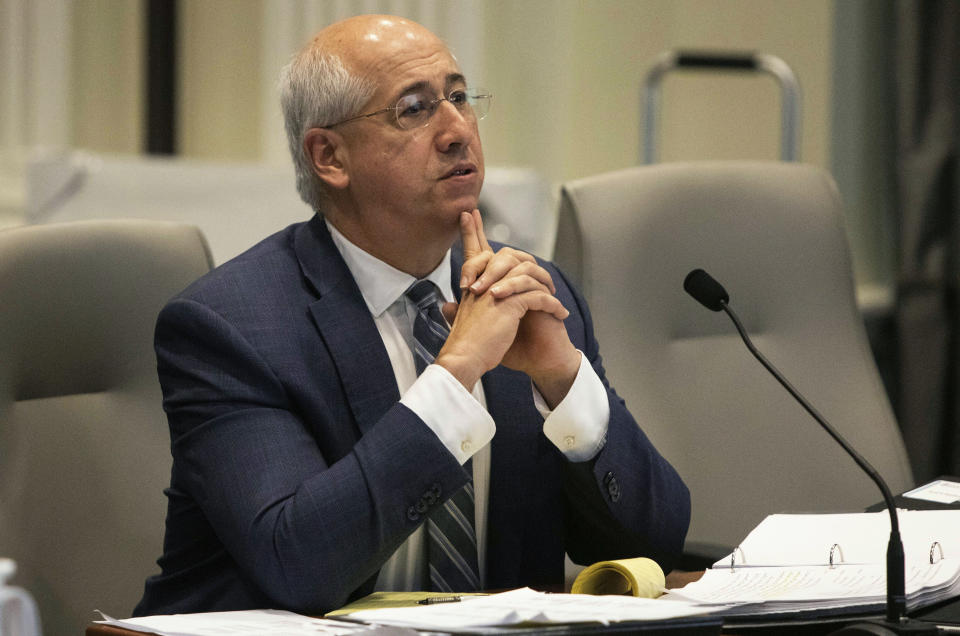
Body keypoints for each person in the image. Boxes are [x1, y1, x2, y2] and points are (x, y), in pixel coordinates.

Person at [134, 14, 689, 616]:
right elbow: (299, 566)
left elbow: (654, 544)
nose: (457, 131)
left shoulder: (529, 296)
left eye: (459, 97)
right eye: (415, 109)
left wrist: (563, 378)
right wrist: (454, 377)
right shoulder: (231, 327)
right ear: (329, 156)